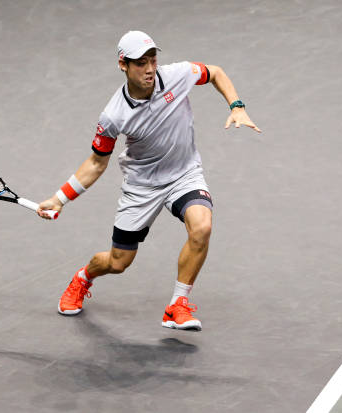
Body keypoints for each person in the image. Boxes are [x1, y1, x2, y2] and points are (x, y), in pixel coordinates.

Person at [37, 30, 259, 331]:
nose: (150, 68)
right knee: (117, 263)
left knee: (202, 227)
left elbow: (215, 72)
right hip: (142, 186)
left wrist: (237, 106)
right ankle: (83, 278)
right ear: (123, 65)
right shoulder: (113, 115)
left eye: (153, 59)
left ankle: (177, 306)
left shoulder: (178, 75)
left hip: (184, 174)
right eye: (140, 62)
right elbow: (96, 163)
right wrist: (59, 198)